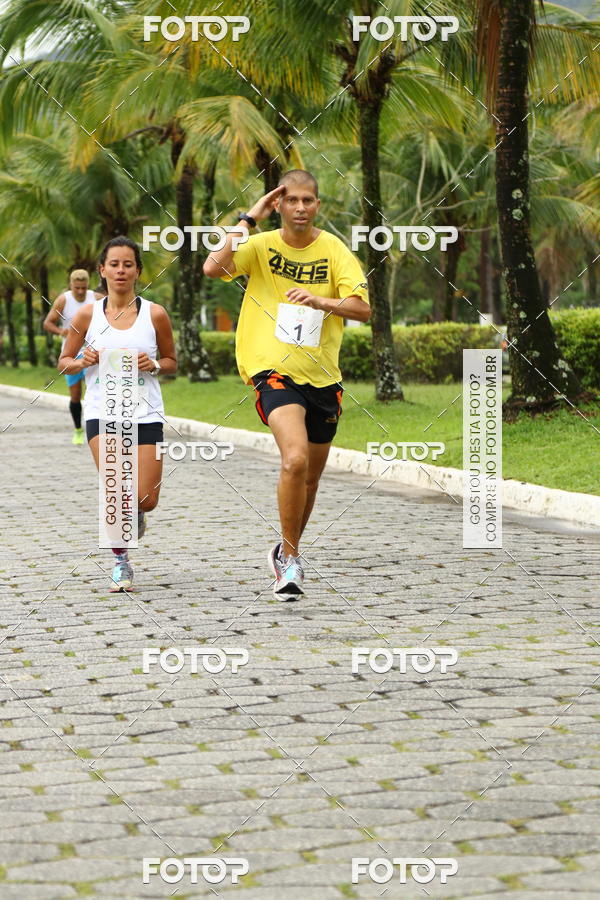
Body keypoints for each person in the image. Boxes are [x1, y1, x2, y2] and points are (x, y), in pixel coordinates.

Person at [203, 169, 371, 601]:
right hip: (271, 370)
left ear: (317, 205)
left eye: (308, 201)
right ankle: (290, 561)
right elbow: (212, 267)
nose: (300, 208)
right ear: (279, 204)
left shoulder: (333, 249)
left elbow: (361, 308)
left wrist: (320, 300)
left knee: (311, 479)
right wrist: (248, 218)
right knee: (294, 459)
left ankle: (286, 547)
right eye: (291, 200)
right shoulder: (259, 245)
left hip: (324, 378)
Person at [59, 237, 177, 592]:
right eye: (114, 264)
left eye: (128, 264)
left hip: (145, 414)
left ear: (138, 270)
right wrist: (83, 361)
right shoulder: (86, 314)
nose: (121, 270)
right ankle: (120, 562)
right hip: (101, 412)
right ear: (102, 270)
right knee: (116, 489)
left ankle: (136, 514)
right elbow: (64, 363)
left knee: (145, 498)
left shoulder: (155, 313)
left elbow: (172, 362)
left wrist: (154, 363)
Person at [43, 270, 103, 444]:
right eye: (77, 288)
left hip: (94, 351)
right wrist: (61, 331)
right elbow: (47, 323)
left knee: (100, 391)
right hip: (72, 354)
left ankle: (102, 429)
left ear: (88, 285)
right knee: (76, 394)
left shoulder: (98, 298)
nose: (80, 292)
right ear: (71, 285)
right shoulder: (64, 300)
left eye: (83, 288)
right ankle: (78, 429)